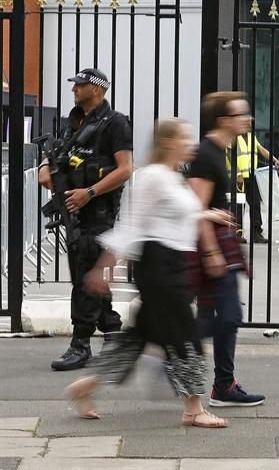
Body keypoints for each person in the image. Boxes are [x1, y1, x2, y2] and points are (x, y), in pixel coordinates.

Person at [64, 119, 231, 428]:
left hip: (172, 265)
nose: (191, 144)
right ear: (168, 142)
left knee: (139, 338)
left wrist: (208, 213)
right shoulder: (151, 176)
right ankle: (194, 408)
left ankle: (86, 387)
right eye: (185, 138)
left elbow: (175, 215)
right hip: (159, 267)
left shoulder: (171, 176)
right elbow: (132, 224)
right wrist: (105, 267)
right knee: (185, 335)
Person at [40, 69, 133, 372]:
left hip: (98, 211)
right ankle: (113, 331)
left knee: (85, 276)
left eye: (79, 85)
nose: (74, 90)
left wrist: (89, 192)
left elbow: (125, 169)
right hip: (74, 209)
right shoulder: (74, 121)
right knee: (88, 272)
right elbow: (59, 153)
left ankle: (80, 344)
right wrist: (45, 166)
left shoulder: (115, 123)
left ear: (97, 89)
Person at [188, 91, 265, 407]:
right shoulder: (207, 154)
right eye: (240, 114)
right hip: (214, 245)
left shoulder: (221, 150)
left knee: (213, 314)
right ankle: (170, 343)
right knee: (229, 316)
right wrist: (211, 252)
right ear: (223, 120)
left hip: (222, 242)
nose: (246, 119)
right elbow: (197, 207)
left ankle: (222, 384)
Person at [230, 128, 279, 244]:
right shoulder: (233, 136)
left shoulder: (251, 137)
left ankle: (256, 233)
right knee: (239, 205)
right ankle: (236, 233)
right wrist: (238, 173)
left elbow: (262, 150)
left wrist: (274, 161)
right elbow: (230, 155)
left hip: (250, 176)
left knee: (255, 204)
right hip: (239, 178)